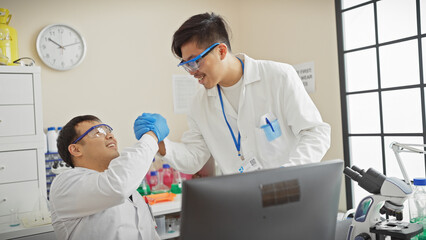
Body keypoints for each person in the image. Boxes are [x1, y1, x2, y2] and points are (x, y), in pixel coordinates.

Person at [134, 12, 330, 175]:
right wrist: (160, 142)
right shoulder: (199, 103)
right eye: (186, 65)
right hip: (244, 202)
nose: (192, 72)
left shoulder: (278, 76)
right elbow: (194, 157)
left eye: (195, 62)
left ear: (220, 51)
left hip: (290, 193)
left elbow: (315, 133)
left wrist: (287, 173)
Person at [50, 114, 168, 240]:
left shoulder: (131, 192)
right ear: (76, 149)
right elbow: (117, 186)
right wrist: (151, 137)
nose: (110, 136)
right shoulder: (66, 184)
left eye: (108, 131)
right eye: (98, 132)